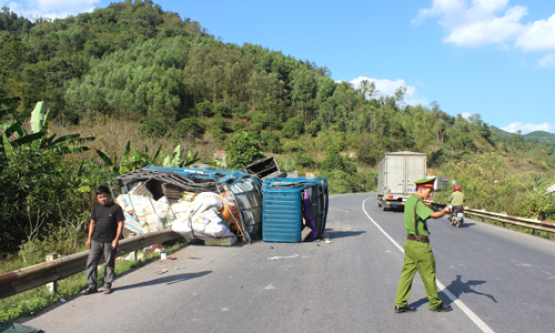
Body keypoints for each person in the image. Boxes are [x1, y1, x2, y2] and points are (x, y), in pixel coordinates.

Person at [394, 177, 453, 313]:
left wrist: (427, 204)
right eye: (429, 191)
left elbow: (418, 213)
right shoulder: (418, 203)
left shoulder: (410, 201)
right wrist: (444, 212)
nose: (430, 194)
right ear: (421, 189)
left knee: (407, 274)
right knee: (429, 274)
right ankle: (435, 303)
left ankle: (400, 303)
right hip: (420, 245)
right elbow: (433, 216)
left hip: (410, 244)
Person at [81, 186, 124, 295]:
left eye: (104, 196)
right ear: (97, 198)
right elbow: (92, 223)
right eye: (100, 197)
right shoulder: (96, 208)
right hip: (96, 240)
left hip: (109, 240)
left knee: (109, 263)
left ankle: (107, 285)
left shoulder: (116, 208)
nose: (102, 199)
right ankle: (92, 286)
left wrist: (116, 239)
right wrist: (88, 238)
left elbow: (120, 224)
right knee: (91, 262)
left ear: (108, 195)